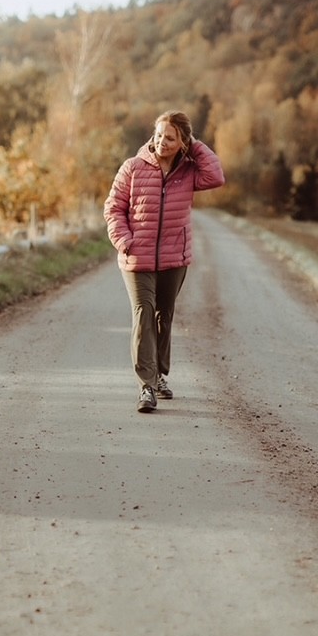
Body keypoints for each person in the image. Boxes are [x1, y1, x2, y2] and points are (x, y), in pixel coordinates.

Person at [103, 110, 224, 413]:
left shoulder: (189, 172)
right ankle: (146, 386)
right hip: (137, 256)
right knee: (144, 313)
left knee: (163, 315)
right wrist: (124, 241)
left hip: (174, 259)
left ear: (183, 141)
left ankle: (159, 375)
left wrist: (193, 145)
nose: (161, 141)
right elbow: (113, 208)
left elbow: (216, 176)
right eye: (158, 135)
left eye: (170, 137)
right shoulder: (132, 167)